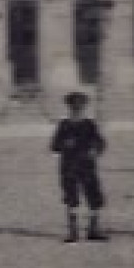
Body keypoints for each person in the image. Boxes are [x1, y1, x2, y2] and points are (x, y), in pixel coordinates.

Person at [52, 92, 109, 243]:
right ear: (69, 107)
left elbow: (101, 142)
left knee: (94, 196)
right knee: (71, 197)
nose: (77, 110)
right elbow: (54, 145)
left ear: (84, 107)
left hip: (87, 165)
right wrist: (64, 144)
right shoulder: (63, 125)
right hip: (69, 166)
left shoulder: (90, 124)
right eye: (74, 107)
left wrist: (95, 149)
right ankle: (73, 232)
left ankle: (93, 229)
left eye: (80, 107)